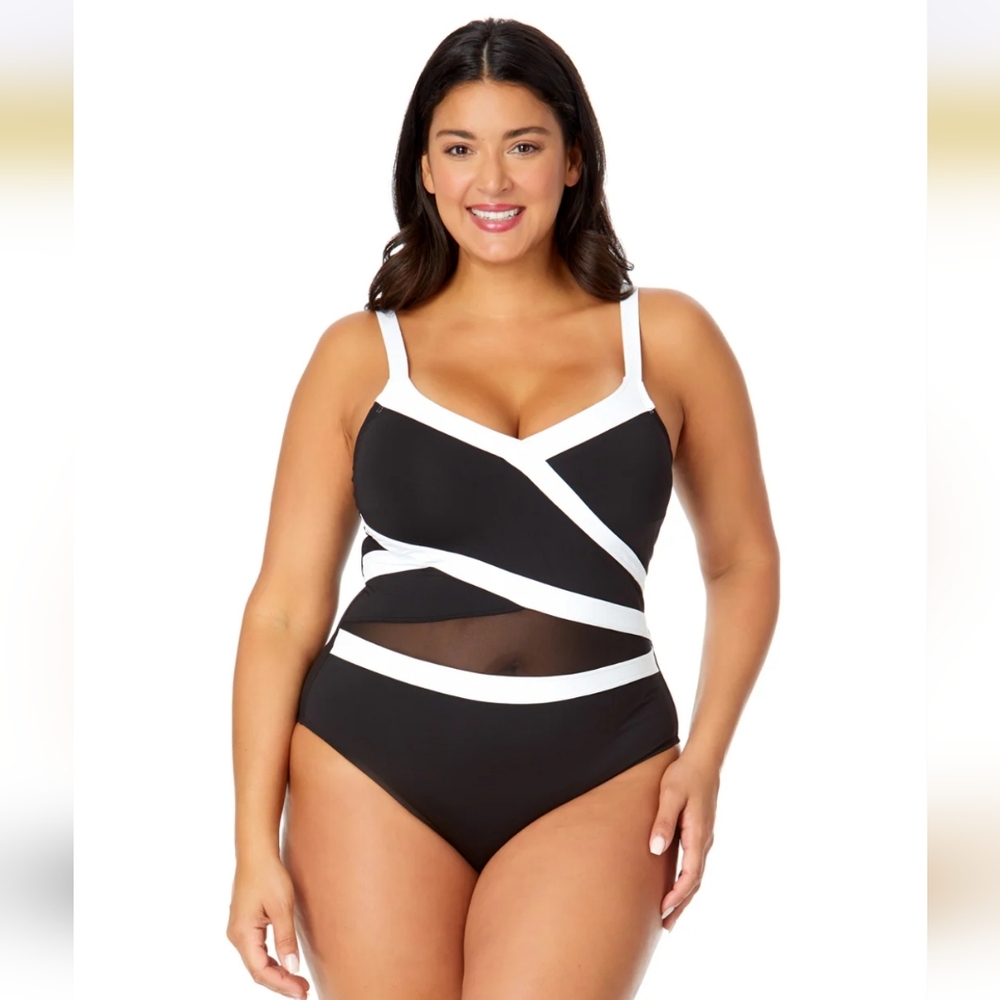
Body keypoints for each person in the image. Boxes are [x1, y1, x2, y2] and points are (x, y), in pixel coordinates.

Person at [226, 17, 779, 1000]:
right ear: (424, 170)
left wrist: (706, 757)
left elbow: (741, 562)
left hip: (604, 768)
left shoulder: (668, 340)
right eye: (459, 149)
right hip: (370, 765)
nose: (492, 180)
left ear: (573, 160)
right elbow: (282, 610)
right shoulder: (359, 356)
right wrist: (249, 845)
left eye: (523, 146)